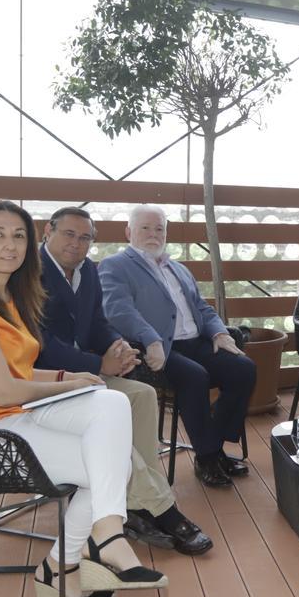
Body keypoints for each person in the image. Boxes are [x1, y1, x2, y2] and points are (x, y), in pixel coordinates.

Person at [0, 200, 166, 597]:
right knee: (110, 462)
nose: (10, 246)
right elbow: (1, 390)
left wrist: (70, 379)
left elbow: (16, 372)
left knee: (110, 403)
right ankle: (71, 560)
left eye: (18, 236)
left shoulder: (6, 295)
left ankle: (99, 540)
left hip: (8, 418)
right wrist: (62, 387)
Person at [36, 206, 212, 555]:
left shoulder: (87, 271)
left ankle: (137, 503)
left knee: (143, 395)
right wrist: (99, 362)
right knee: (114, 412)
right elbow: (41, 345)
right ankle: (162, 508)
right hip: (43, 381)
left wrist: (117, 346)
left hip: (83, 374)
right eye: (69, 234)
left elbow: (99, 322)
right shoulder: (30, 275)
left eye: (85, 237)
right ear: (47, 231)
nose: (77, 243)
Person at [99, 205, 257, 488]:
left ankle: (213, 447)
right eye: (145, 228)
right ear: (128, 232)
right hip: (156, 350)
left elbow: (201, 307)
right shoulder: (115, 266)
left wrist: (220, 333)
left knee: (243, 369)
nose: (153, 234)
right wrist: (151, 338)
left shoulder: (178, 268)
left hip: (196, 342)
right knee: (195, 377)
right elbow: (118, 310)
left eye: (159, 228)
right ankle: (209, 457)